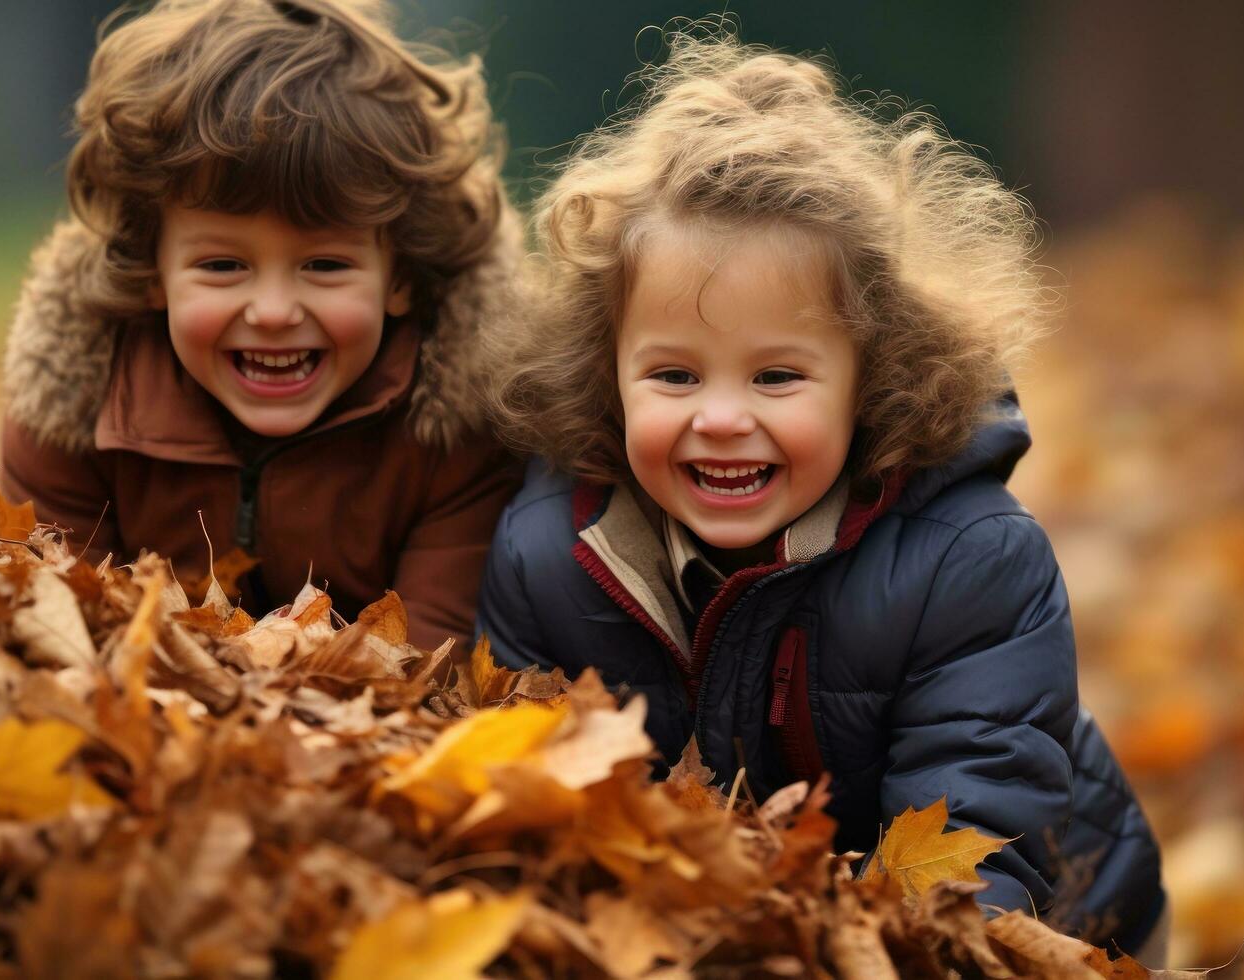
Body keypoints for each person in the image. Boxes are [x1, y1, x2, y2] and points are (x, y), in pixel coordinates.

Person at [477, 28, 1168, 960]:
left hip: (1068, 922)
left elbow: (982, 833)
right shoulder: (546, 552)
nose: (721, 418)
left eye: (775, 378)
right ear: (606, 375)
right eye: (674, 377)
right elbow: (534, 802)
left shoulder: (968, 560)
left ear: (870, 380)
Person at [0, 0, 522, 649]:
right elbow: (58, 640)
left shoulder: (459, 428)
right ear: (151, 272)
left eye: (325, 265)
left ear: (401, 278)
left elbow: (423, 663)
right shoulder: (76, 407)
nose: (273, 312)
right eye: (222, 265)